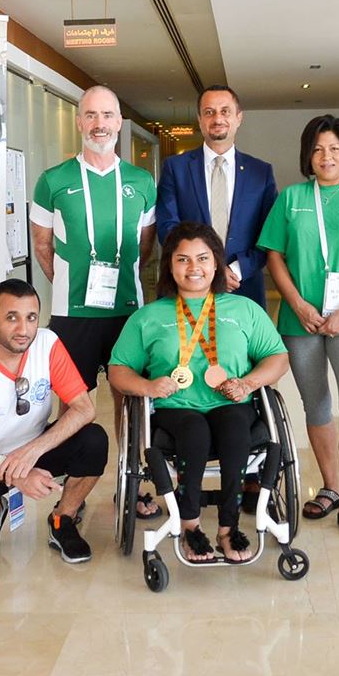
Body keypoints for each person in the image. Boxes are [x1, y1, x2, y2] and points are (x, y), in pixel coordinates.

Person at [108, 222, 289, 562]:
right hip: (175, 407)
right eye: (183, 260)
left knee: (235, 429)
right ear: (170, 266)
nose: (194, 268)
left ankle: (228, 527)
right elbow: (118, 370)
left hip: (231, 400)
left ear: (217, 263)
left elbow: (278, 357)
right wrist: (147, 386)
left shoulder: (244, 309)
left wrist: (248, 383)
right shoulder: (149, 317)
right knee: (194, 432)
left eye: (203, 258)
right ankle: (190, 525)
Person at [257, 115, 339, 541]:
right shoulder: (292, 198)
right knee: (315, 403)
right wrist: (296, 303)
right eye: (317, 149)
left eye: (334, 148)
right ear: (307, 155)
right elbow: (274, 256)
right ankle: (331, 485)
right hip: (300, 320)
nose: (326, 156)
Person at [30, 85, 159, 518]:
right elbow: (42, 245)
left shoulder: (142, 182)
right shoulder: (53, 179)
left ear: (119, 123)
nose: (99, 124)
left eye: (107, 115)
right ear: (79, 121)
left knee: (131, 400)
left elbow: (145, 246)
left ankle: (134, 482)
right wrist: (68, 283)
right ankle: (74, 492)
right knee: (75, 406)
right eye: (90, 115)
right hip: (72, 315)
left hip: (127, 313)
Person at [0, 280, 108, 563]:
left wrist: (33, 452)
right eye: (11, 317)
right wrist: (17, 473)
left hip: (35, 446)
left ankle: (63, 518)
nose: (23, 329)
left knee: (94, 440)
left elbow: (84, 409)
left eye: (31, 317)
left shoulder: (47, 344)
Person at [156, 84, 278, 308]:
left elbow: (269, 235)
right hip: (187, 286)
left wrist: (234, 270)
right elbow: (167, 226)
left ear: (238, 117)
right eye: (209, 112)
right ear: (200, 119)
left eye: (225, 111)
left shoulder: (261, 173)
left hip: (243, 287)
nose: (217, 118)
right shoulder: (175, 168)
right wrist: (205, 268)